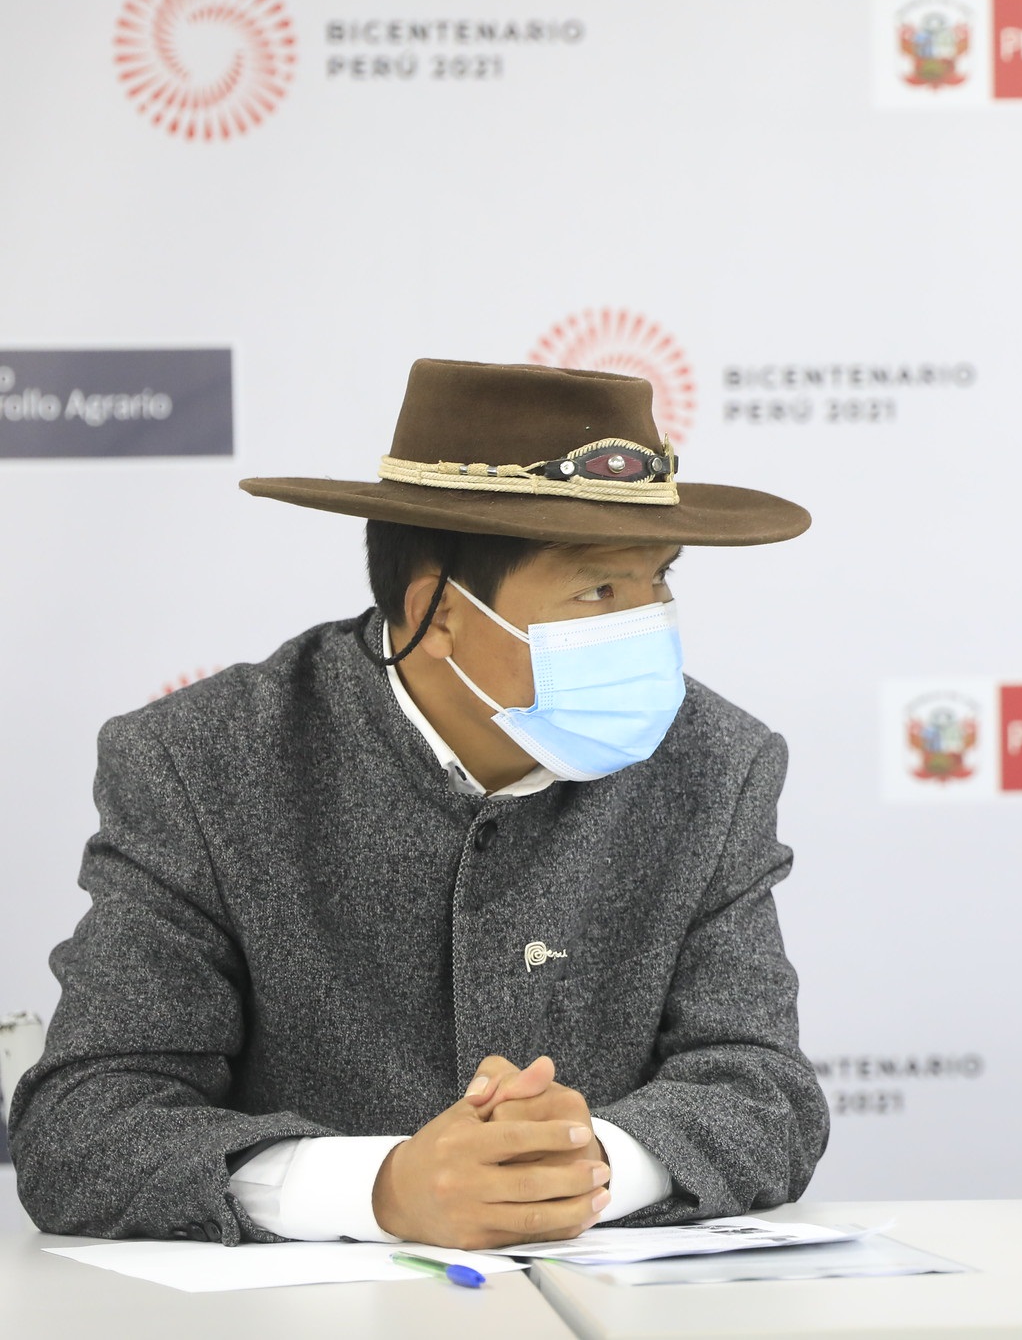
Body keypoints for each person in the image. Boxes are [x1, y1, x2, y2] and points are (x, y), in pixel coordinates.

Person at [9, 358, 829, 1248]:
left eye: (660, 579)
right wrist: (380, 1188)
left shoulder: (717, 762)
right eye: (599, 589)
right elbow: (84, 1124)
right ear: (437, 613)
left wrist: (585, 1160)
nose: (647, 624)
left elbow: (767, 1090)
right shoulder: (200, 761)